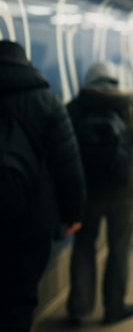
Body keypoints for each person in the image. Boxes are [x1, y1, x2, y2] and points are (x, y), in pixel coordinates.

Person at [65, 61, 133, 325]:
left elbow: (63, 153)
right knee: (118, 249)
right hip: (124, 191)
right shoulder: (132, 105)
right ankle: (114, 307)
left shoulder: (74, 108)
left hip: (87, 192)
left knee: (83, 246)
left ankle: (79, 307)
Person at [0, 40, 85, 332]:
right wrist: (74, 213)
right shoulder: (45, 100)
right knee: (20, 298)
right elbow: (68, 163)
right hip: (32, 219)